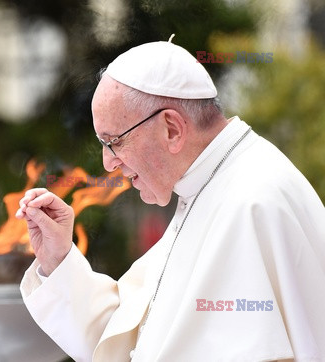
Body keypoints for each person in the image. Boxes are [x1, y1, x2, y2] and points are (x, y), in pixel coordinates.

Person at [16, 38, 325, 361]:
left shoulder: (250, 202)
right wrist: (59, 259)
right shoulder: (207, 186)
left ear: (173, 129)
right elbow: (135, 339)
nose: (109, 163)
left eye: (114, 142)